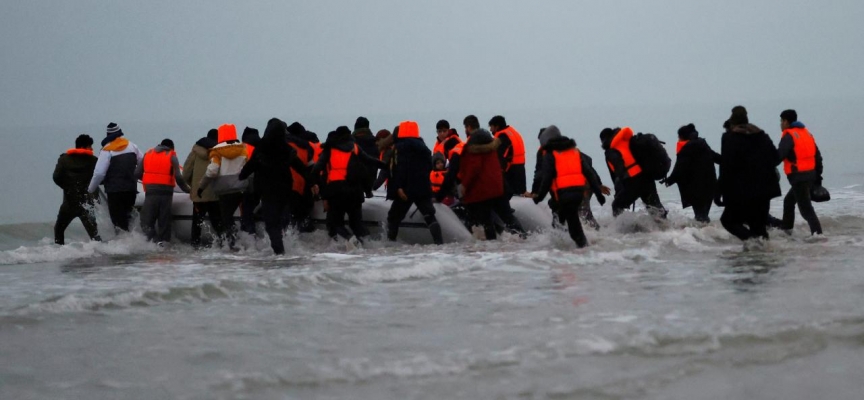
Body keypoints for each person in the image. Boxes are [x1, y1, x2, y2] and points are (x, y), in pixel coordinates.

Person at [437, 116, 525, 240]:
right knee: (507, 218)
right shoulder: (492, 146)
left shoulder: (468, 149)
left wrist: (462, 187)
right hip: (499, 188)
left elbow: (472, 170)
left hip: (483, 192)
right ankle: (524, 239)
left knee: (486, 221)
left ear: (468, 127)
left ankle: (491, 248)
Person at [238, 119, 308, 254]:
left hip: (267, 191)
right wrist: (312, 182)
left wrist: (242, 176)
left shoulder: (261, 147)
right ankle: (286, 248)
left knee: (271, 224)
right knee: (283, 221)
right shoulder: (287, 149)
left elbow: (250, 166)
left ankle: (279, 253)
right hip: (285, 189)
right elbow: (301, 168)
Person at [532, 126, 606, 247]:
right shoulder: (574, 151)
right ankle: (587, 240)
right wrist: (598, 193)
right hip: (578, 192)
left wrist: (538, 197)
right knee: (563, 219)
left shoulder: (549, 155)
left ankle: (584, 250)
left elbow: (545, 178)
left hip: (564, 195)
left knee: (573, 226)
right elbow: (589, 172)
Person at [310, 126, 386, 243]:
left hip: (336, 192)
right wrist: (386, 166)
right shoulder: (355, 148)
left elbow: (316, 170)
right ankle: (369, 245)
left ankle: (350, 240)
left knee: (336, 224)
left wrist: (315, 185)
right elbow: (369, 161)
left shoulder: (330, 149)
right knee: (356, 224)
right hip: (355, 192)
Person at [716, 106, 782, 241]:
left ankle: (753, 243)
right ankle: (762, 255)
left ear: (732, 122)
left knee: (728, 221)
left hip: (742, 191)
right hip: (765, 189)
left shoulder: (730, 138)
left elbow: (726, 167)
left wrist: (718, 191)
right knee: (759, 226)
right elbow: (775, 158)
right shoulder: (762, 135)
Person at [386, 120, 443, 244]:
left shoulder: (400, 147)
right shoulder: (422, 146)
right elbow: (429, 165)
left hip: (406, 188)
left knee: (393, 217)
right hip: (423, 186)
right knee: (429, 215)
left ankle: (391, 244)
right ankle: (440, 244)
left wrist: (399, 186)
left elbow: (399, 167)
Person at [198, 123, 248, 249]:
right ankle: (243, 241)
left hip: (224, 191)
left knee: (226, 218)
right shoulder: (243, 150)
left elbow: (212, 171)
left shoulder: (217, 152)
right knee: (236, 216)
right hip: (241, 189)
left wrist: (201, 186)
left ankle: (232, 244)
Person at [599, 126, 667, 218]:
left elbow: (618, 174)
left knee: (616, 206)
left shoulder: (610, 151)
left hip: (632, 182)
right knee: (655, 207)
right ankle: (668, 229)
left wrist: (619, 192)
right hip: (647, 178)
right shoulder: (628, 140)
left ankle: (621, 230)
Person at [87, 122, 143, 233]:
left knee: (118, 221)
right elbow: (142, 161)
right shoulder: (132, 146)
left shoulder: (107, 150)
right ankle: (134, 243)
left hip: (114, 191)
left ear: (108, 135)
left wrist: (90, 189)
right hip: (131, 189)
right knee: (128, 218)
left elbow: (99, 173)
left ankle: (121, 246)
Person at [776, 109, 823, 235]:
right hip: (810, 175)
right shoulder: (806, 133)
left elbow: (779, 155)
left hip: (799, 177)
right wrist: (818, 178)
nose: (780, 124)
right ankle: (787, 230)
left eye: (781, 121)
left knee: (806, 209)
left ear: (786, 121)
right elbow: (818, 157)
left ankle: (818, 235)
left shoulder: (789, 136)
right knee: (789, 201)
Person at [135, 139, 190, 244]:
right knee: (164, 222)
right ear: (171, 148)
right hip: (166, 194)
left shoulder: (148, 154)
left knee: (146, 222)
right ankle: (164, 245)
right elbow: (178, 177)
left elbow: (137, 173)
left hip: (150, 193)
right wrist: (188, 190)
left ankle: (153, 242)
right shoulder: (172, 156)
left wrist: (149, 181)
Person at [663, 123, 719, 223]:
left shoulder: (686, 149)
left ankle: (703, 236)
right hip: (711, 185)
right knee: (703, 215)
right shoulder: (702, 144)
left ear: (682, 137)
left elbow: (679, 169)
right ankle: (710, 235)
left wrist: (669, 181)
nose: (678, 139)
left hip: (697, 189)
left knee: (700, 216)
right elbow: (716, 157)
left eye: (678, 137)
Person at [53, 134, 101, 245]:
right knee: (94, 234)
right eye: (90, 146)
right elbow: (100, 177)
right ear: (84, 147)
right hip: (86, 203)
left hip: (69, 202)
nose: (92, 149)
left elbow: (56, 177)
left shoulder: (64, 159)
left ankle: (59, 252)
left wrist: (67, 187)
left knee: (59, 229)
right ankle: (101, 254)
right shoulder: (93, 161)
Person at [183, 129, 223, 248]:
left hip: (198, 195)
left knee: (197, 223)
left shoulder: (195, 152)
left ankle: (195, 247)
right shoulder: (219, 152)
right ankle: (224, 246)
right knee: (217, 223)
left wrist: (194, 186)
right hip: (214, 194)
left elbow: (185, 173)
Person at [286, 121, 317, 232]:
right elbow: (311, 168)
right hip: (303, 186)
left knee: (288, 221)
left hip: (286, 185)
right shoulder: (306, 147)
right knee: (304, 218)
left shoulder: (283, 145)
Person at [488, 115, 527, 195]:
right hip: (520, 167)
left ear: (497, 126)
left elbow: (500, 155)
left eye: (491, 127)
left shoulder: (502, 136)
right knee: (520, 192)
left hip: (511, 169)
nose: (490, 129)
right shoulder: (512, 132)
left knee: (509, 193)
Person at [240, 127, 261, 235]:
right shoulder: (261, 147)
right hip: (260, 182)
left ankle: (249, 233)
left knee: (246, 210)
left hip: (247, 182)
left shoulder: (243, 147)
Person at [352, 116, 378, 198]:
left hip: (355, 179)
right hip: (371, 178)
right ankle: (368, 190)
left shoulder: (352, 141)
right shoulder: (374, 141)